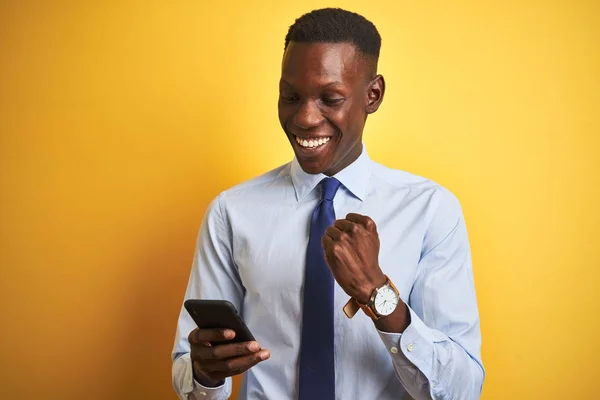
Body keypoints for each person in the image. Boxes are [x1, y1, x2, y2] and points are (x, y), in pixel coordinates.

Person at [172, 7, 485, 400]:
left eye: (330, 98)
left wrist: (376, 292)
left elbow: (462, 391)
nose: (304, 118)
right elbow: (190, 373)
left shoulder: (430, 211)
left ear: (372, 95)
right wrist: (204, 374)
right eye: (290, 96)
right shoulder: (231, 213)